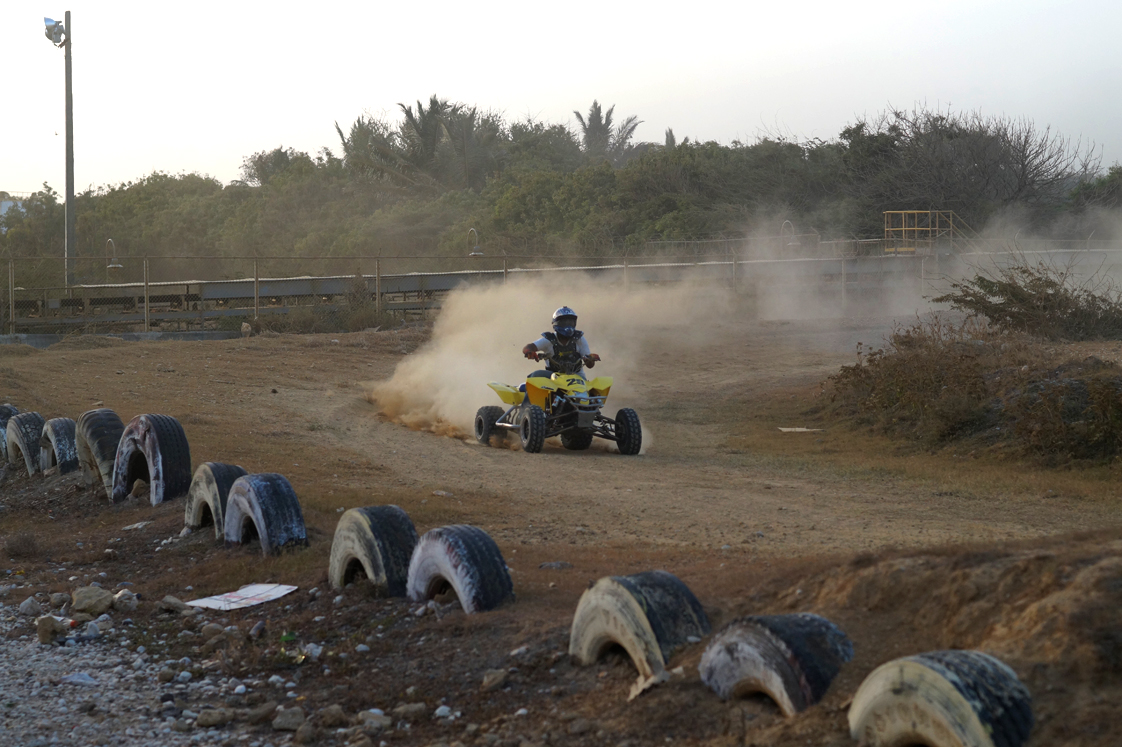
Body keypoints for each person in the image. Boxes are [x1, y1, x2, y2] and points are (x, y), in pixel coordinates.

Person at [521, 306, 600, 379]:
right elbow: (529, 347)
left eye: (570, 322)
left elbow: (590, 366)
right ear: (556, 323)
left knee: (599, 387)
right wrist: (529, 352)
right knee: (534, 377)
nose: (568, 325)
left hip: (577, 378)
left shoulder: (579, 339)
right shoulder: (549, 340)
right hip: (553, 378)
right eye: (564, 322)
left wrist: (590, 359)